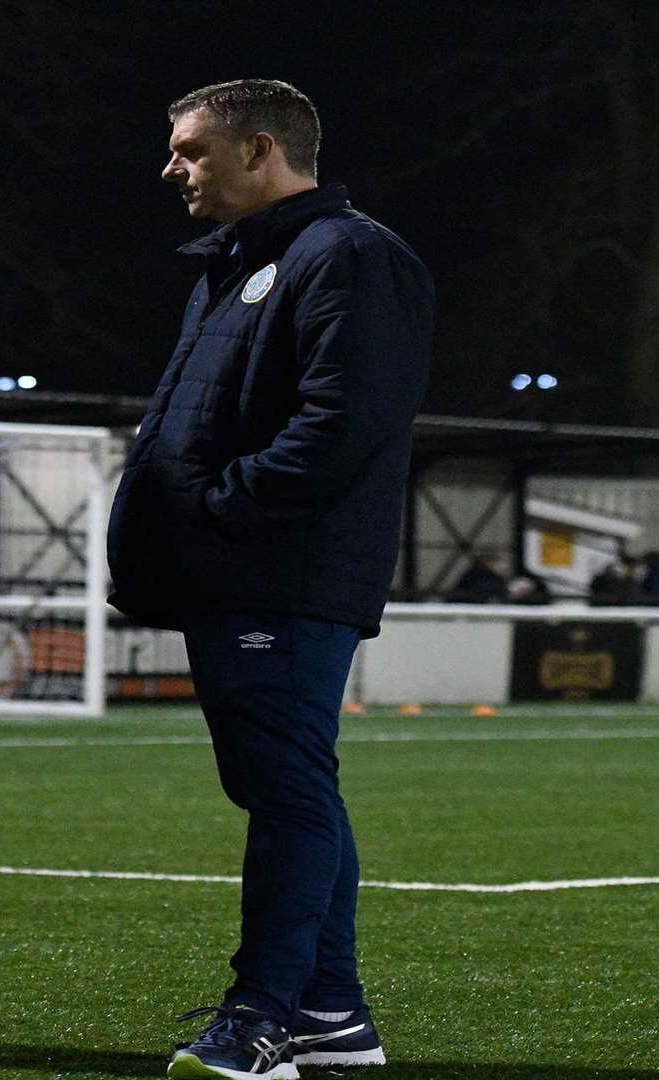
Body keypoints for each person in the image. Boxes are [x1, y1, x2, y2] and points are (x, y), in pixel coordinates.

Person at [107, 79, 433, 1078]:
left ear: (259, 151)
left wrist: (220, 509)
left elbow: (341, 424)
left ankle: (262, 1015)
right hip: (238, 570)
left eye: (191, 150)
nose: (173, 169)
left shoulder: (349, 254)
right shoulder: (247, 262)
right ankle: (331, 1011)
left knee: (288, 788)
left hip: (280, 571)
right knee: (283, 785)